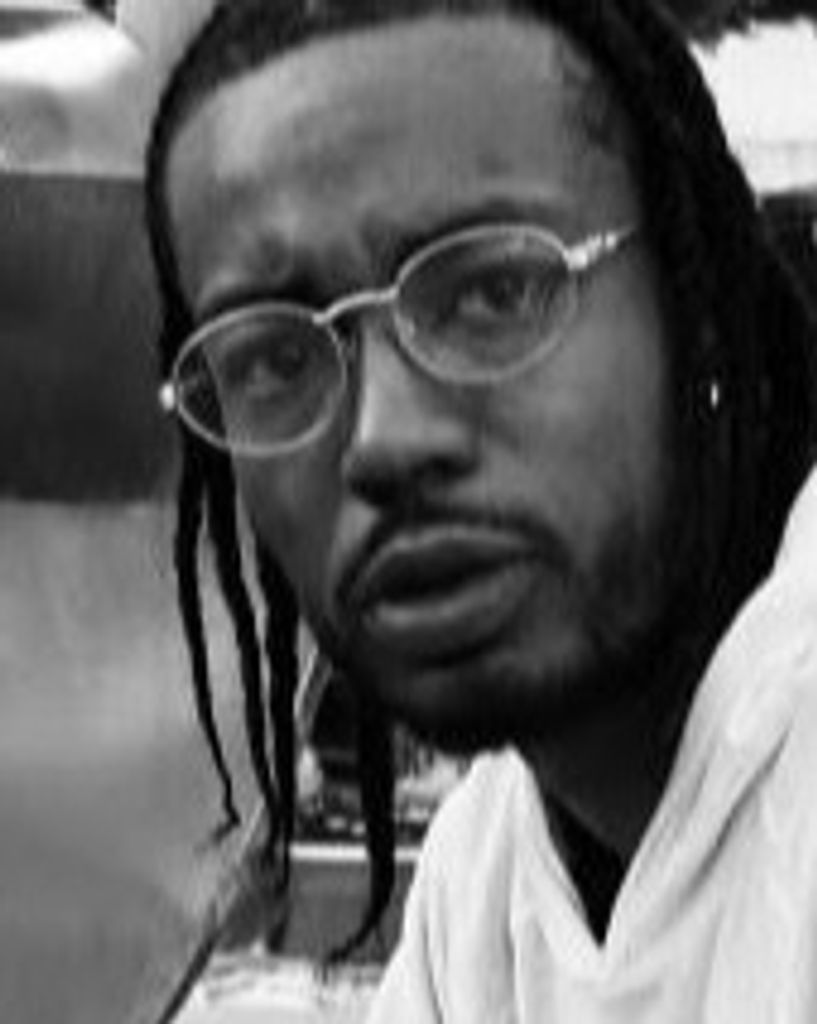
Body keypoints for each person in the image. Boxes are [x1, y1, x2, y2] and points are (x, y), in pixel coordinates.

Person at [145, 0, 817, 1018]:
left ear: (695, 313)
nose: (382, 439)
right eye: (275, 357)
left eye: (494, 294)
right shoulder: (486, 874)